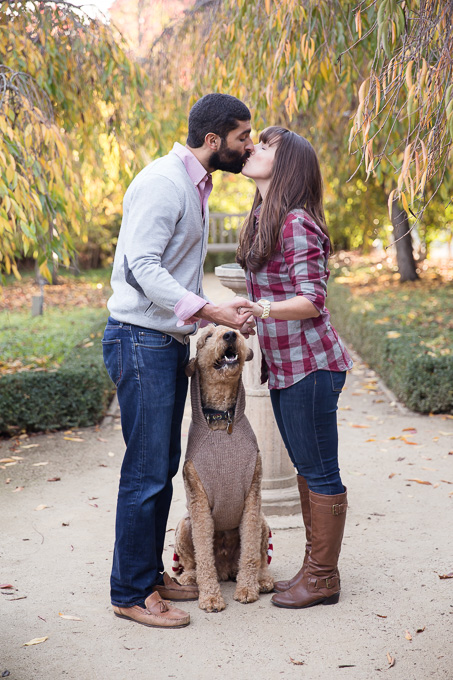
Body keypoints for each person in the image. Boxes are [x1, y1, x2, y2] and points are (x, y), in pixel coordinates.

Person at [102, 93, 256, 629]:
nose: (248, 146)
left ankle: (145, 576)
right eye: (242, 137)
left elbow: (175, 272)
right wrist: (210, 308)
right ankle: (130, 593)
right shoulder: (164, 182)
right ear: (213, 140)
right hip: (139, 342)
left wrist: (215, 311)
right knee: (146, 473)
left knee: (160, 469)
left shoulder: (195, 184)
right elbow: (141, 264)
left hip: (162, 342)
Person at [236, 126, 353, 609]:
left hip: (312, 367)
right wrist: (253, 317)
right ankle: (314, 569)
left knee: (320, 472)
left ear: (286, 167)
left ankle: (323, 579)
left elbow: (312, 300)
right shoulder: (266, 216)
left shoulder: (296, 222)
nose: (252, 148)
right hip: (288, 367)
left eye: (266, 146)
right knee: (310, 469)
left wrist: (261, 310)